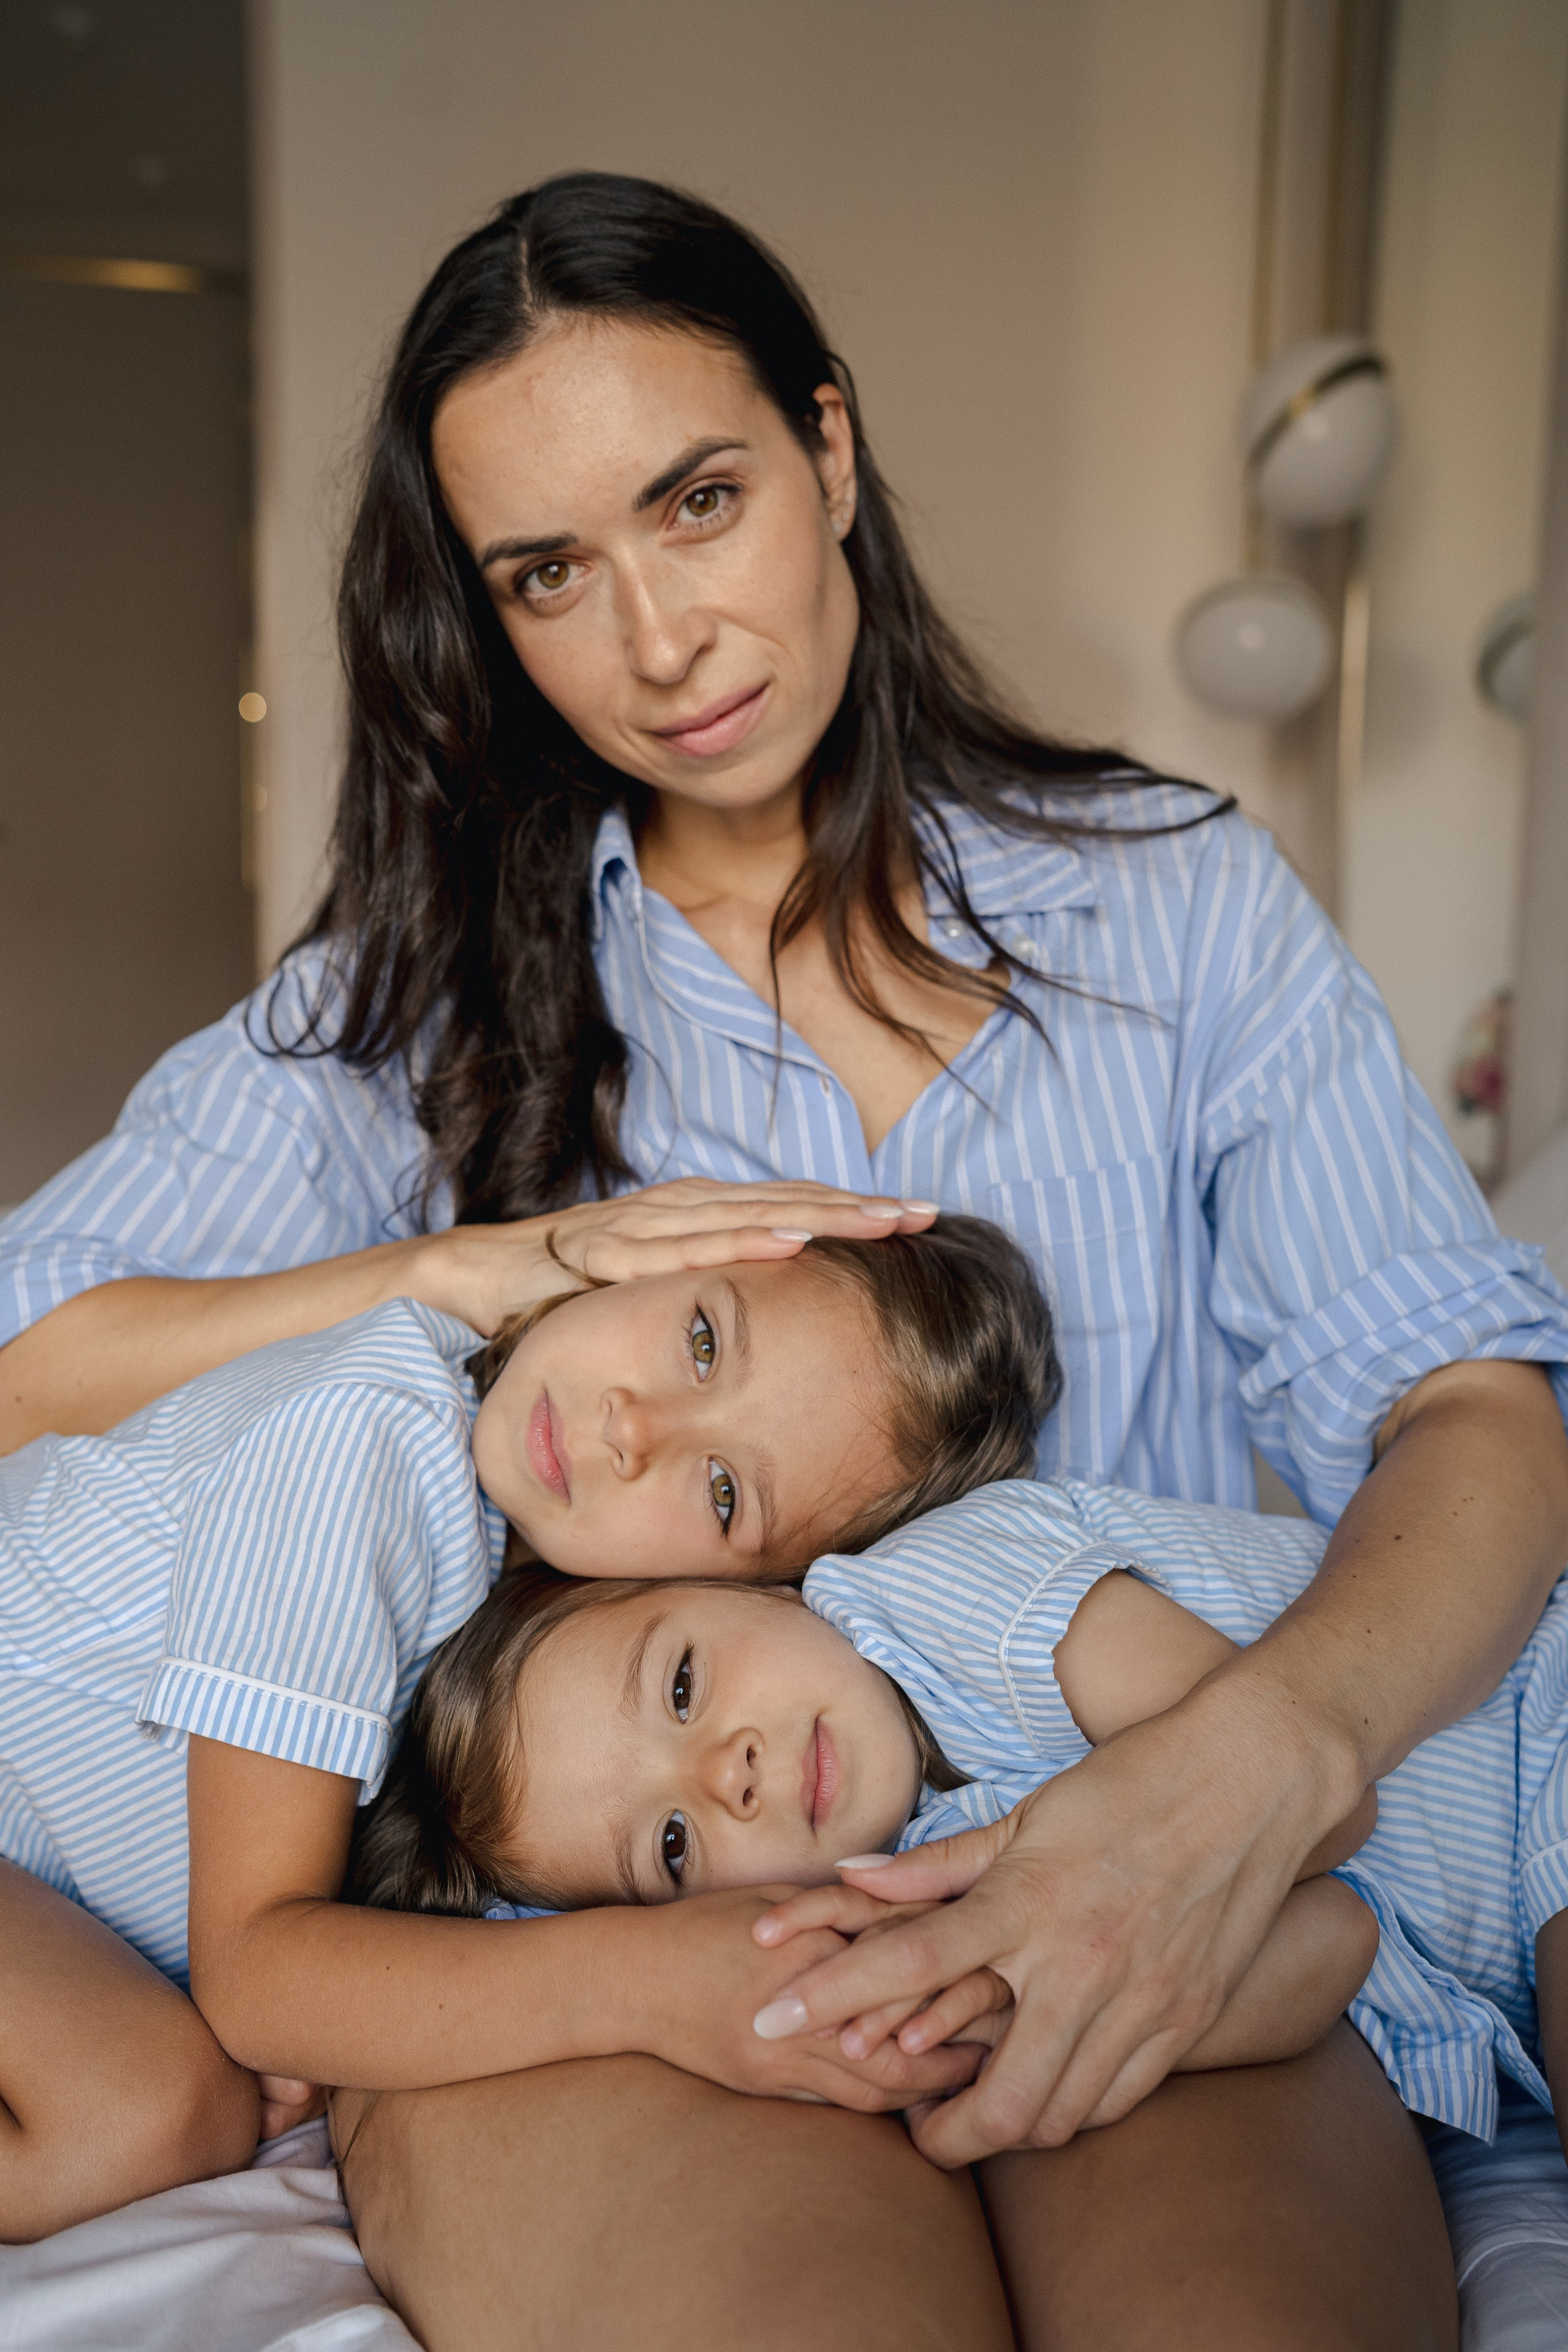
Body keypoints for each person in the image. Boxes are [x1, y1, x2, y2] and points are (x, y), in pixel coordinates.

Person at [2, 167, 1567, 2343]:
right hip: (607, 1921)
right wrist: (460, 1273)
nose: (657, 643)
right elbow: (21, 1358)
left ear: (830, 452)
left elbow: (1471, 1404)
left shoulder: (1176, 907)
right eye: (550, 572)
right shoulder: (428, 984)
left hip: (1117, 1831)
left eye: (700, 500)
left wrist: (1247, 1766)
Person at [0, 1221, 1048, 2242]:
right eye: (702, 1341)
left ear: (758, 1587)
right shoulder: (365, 1440)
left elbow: (311, 1982)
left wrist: (328, 2002)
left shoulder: (556, 1688)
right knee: (148, 2114)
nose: (634, 1428)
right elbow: (256, 1971)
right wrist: (658, 1981)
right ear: (674, 1256)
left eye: (724, 1492)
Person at [378, 1476, 1564, 2166]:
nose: (724, 1774)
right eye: (672, 1845)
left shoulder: (956, 1594)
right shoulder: (901, 1903)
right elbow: (1332, 1947)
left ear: (749, 1584)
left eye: (682, 1685)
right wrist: (1007, 2013)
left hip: (1529, 1723)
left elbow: (1314, 1812)